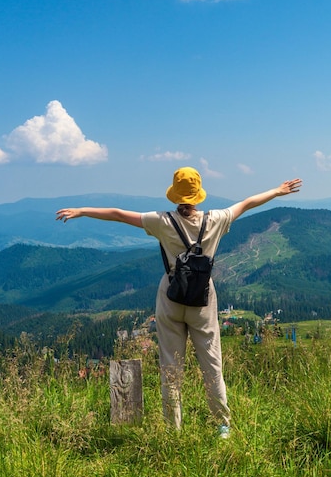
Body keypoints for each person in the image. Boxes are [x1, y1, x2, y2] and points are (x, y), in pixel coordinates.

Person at [56, 167, 302, 438]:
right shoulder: (216, 219)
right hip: (203, 301)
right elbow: (247, 203)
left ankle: (172, 428)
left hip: (170, 298)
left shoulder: (161, 221)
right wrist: (278, 191)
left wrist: (81, 210)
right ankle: (222, 426)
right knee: (212, 365)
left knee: (171, 368)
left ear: (175, 194)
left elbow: (117, 214)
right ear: (199, 194)